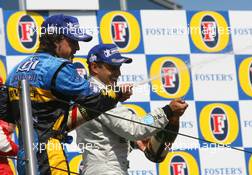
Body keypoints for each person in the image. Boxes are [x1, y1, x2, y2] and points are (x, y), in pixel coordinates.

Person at [5, 14, 124, 175]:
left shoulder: (16, 70)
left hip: (24, 156)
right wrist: (116, 95)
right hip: (49, 154)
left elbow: (6, 115)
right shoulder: (58, 67)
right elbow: (94, 99)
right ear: (56, 40)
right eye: (73, 41)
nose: (77, 48)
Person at [76, 43, 188, 175]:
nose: (118, 73)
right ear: (94, 67)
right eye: (112, 68)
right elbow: (135, 128)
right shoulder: (97, 94)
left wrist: (132, 143)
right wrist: (167, 111)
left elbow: (106, 136)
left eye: (119, 67)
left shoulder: (98, 93)